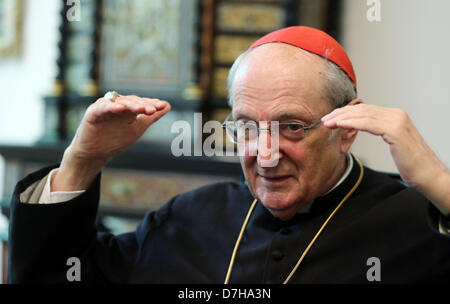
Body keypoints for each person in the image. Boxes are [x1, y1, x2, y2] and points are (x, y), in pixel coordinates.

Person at [8, 26, 450, 283]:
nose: (265, 154)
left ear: (348, 129)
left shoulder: (421, 222)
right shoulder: (190, 217)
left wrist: (440, 184)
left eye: (292, 126)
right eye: (245, 127)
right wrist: (81, 161)